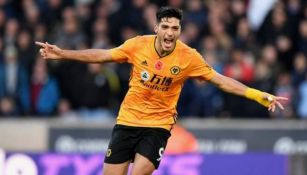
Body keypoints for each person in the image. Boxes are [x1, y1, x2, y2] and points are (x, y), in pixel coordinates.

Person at [36, 6, 288, 175]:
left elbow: (221, 80)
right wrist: (63, 53)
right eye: (165, 27)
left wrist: (257, 94)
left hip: (158, 125)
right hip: (127, 121)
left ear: (180, 31)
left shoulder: (189, 57)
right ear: (157, 28)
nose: (169, 33)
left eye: (175, 28)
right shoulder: (138, 45)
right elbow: (103, 55)